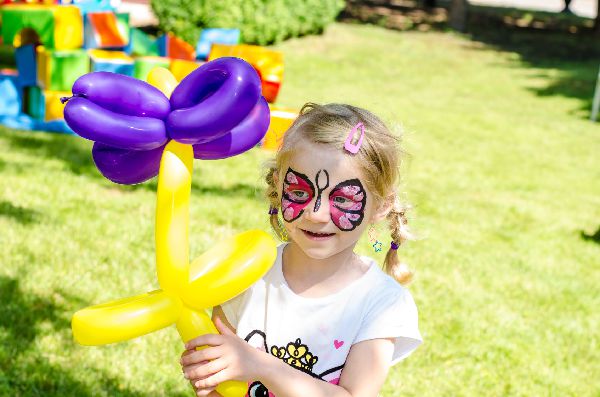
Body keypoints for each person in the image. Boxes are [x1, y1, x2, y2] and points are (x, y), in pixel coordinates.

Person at [180, 103, 422, 397]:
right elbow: (218, 383)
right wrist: (209, 378)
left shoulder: (381, 301)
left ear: (380, 206)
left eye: (343, 199)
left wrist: (259, 365)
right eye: (299, 193)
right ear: (278, 186)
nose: (316, 214)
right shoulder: (245, 277)